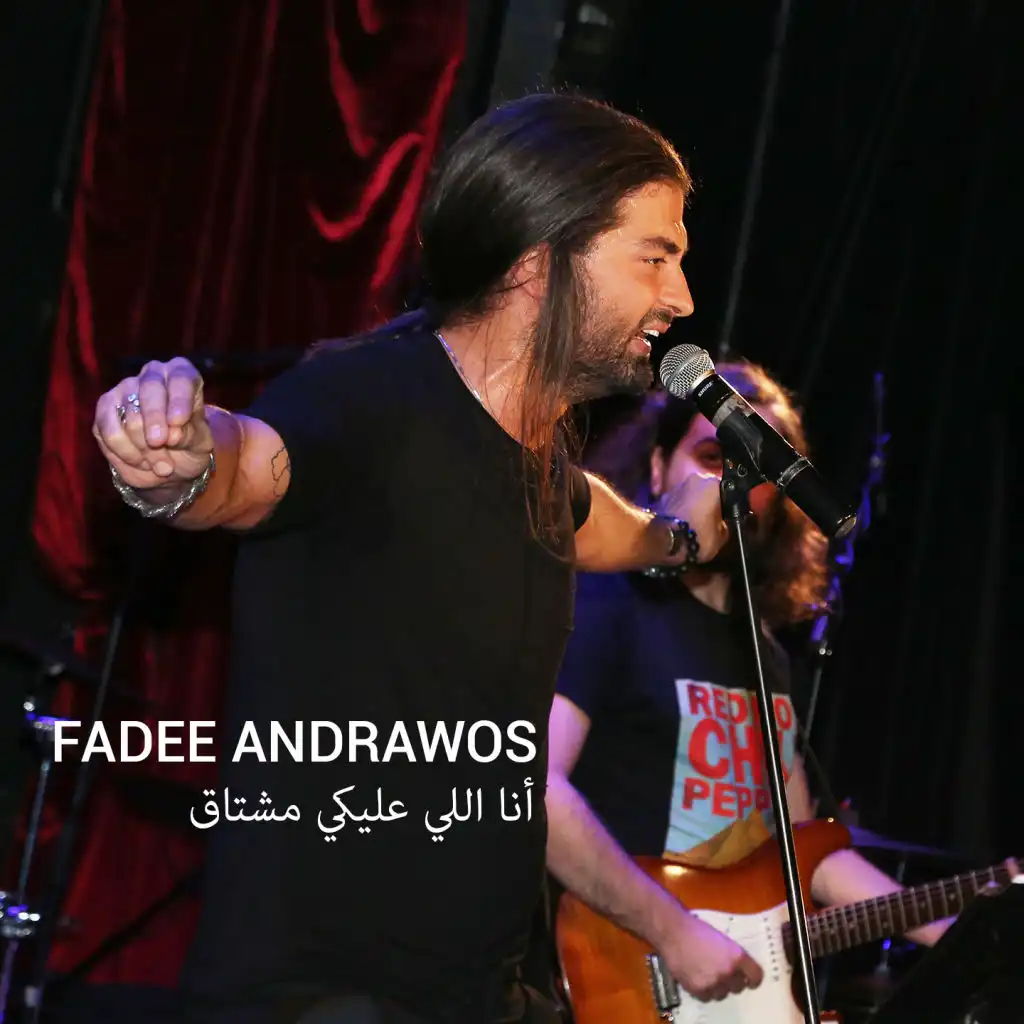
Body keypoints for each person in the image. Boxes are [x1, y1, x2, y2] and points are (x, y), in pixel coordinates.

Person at [89, 93, 737, 1024]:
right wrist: (173, 463)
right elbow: (245, 465)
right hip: (323, 999)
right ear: (539, 262)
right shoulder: (371, 402)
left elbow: (595, 519)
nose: (680, 298)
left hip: (475, 993)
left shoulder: (540, 472)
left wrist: (682, 535)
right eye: (655, 256)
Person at [543, 362, 957, 1009]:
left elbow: (802, 852)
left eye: (760, 469)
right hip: (628, 966)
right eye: (712, 456)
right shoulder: (610, 605)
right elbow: (535, 786)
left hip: (733, 993)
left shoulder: (767, 657)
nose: (733, 482)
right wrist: (672, 930)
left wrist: (953, 925)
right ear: (658, 469)